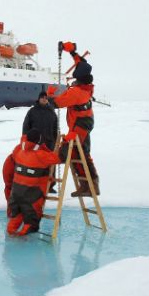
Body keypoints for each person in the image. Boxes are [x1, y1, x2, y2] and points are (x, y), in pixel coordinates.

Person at [47, 41, 99, 197]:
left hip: (80, 125)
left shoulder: (76, 92)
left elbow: (56, 103)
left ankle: (89, 186)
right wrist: (72, 52)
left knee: (69, 152)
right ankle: (87, 185)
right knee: (81, 153)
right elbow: (81, 63)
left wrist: (50, 94)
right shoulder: (87, 85)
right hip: (84, 122)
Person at [4, 128, 62, 235]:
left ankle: (12, 237)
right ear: (39, 141)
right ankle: (25, 243)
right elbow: (59, 157)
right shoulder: (41, 155)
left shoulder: (19, 151)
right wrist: (66, 144)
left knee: (15, 218)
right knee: (31, 223)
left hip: (15, 194)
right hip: (32, 195)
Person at [22, 90, 59, 192]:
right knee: (35, 164)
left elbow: (55, 129)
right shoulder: (32, 111)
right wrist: (25, 141)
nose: (44, 99)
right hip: (35, 144)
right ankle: (35, 185)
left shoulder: (52, 112)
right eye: (42, 97)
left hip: (49, 143)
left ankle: (50, 185)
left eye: (46, 97)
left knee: (49, 165)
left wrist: (56, 142)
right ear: (39, 98)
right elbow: (26, 127)